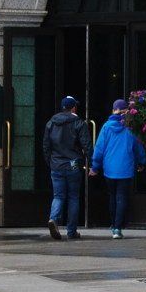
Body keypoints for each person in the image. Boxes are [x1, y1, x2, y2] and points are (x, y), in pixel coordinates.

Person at [89, 99, 146, 239]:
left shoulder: (106, 127)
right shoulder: (130, 127)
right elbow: (138, 147)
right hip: (126, 169)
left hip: (109, 168)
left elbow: (99, 149)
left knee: (112, 197)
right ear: (126, 111)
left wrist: (95, 167)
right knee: (121, 197)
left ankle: (113, 224)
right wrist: (141, 162)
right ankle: (117, 228)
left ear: (113, 110)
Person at [42, 94, 87, 240]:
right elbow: (86, 145)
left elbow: (46, 146)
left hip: (56, 165)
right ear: (73, 107)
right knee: (73, 197)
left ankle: (53, 218)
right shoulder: (79, 123)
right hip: (73, 164)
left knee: (58, 196)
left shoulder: (51, 123)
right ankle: (71, 231)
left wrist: (50, 162)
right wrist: (91, 163)